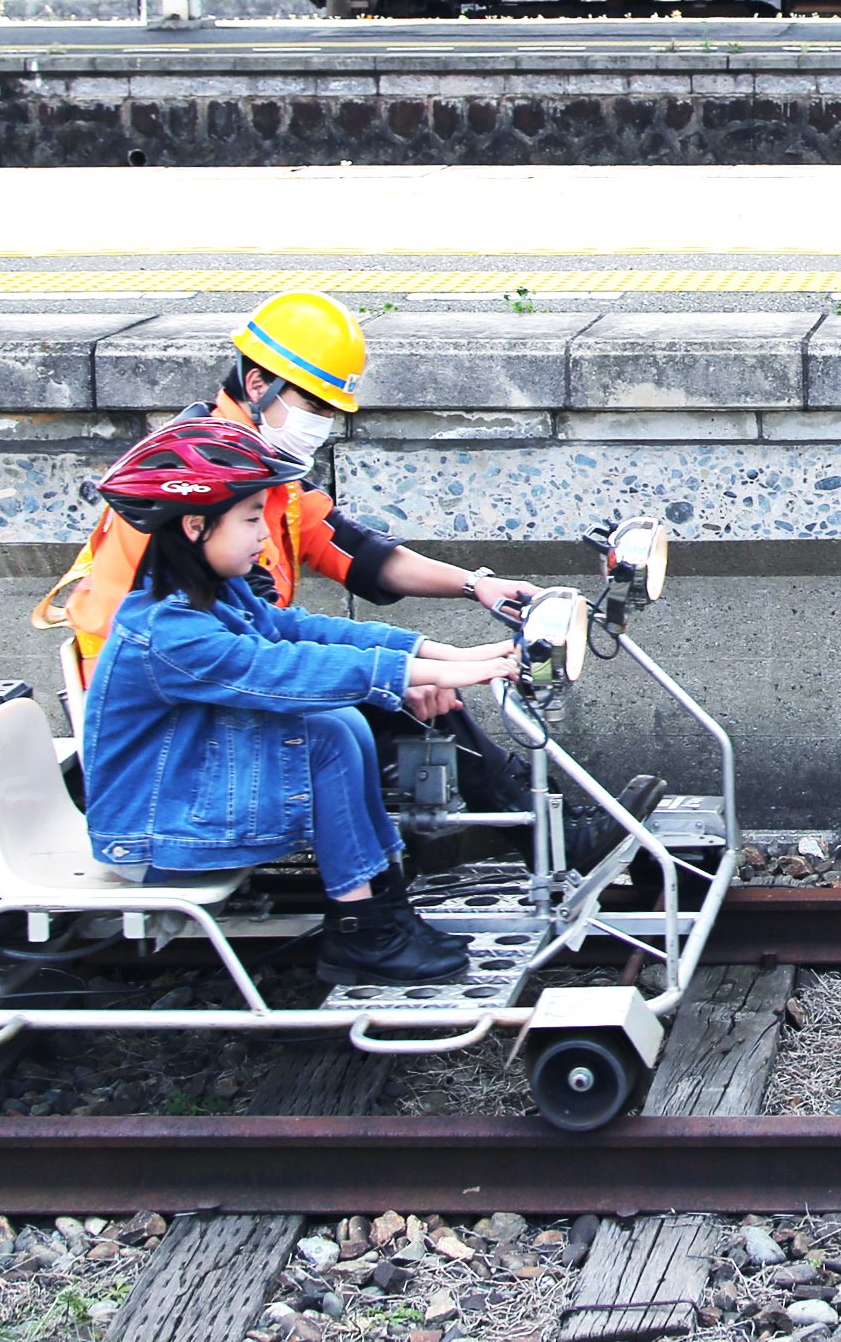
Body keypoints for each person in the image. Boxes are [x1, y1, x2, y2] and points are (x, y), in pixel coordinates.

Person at [39, 290, 662, 854]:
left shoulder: (257, 476)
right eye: (313, 404)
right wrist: (410, 672)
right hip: (175, 709)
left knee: (414, 685)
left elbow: (359, 554)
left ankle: (539, 824)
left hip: (220, 676)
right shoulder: (205, 484)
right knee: (404, 699)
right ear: (258, 383)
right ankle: (531, 836)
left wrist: (477, 585)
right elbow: (266, 641)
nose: (323, 424)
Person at [74, 417, 524, 984]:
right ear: (194, 526)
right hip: (154, 834)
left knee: (340, 725)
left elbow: (305, 634)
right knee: (328, 730)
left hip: (183, 801)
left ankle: (378, 908)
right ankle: (360, 927)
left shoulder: (216, 597)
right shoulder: (167, 632)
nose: (263, 534)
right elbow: (285, 669)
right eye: (248, 519)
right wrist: (445, 672)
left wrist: (453, 656)